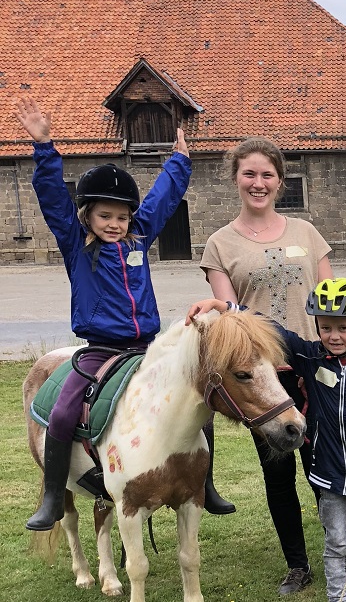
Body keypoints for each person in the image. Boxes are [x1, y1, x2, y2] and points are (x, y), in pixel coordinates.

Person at [12, 95, 224, 529]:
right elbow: (53, 198)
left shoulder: (136, 241)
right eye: (105, 215)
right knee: (66, 410)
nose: (115, 223)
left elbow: (161, 201)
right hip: (100, 349)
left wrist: (179, 162)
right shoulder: (77, 246)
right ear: (87, 217)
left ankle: (208, 482)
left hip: (148, 345)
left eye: (122, 217)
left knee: (200, 399)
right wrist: (44, 147)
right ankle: (54, 495)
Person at [190, 279, 346, 602]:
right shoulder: (309, 357)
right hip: (329, 477)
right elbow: (273, 330)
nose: (335, 336)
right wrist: (226, 307)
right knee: (337, 544)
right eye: (326, 327)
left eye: (344, 327)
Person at [201, 136, 334, 595]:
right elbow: (229, 316)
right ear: (236, 178)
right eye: (250, 174)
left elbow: (330, 301)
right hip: (263, 378)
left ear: (280, 180)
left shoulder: (307, 233)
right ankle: (298, 565)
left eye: (267, 175)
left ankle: (340, 550)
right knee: (279, 475)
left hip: (315, 368)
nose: (259, 183)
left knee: (328, 467)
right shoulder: (220, 244)